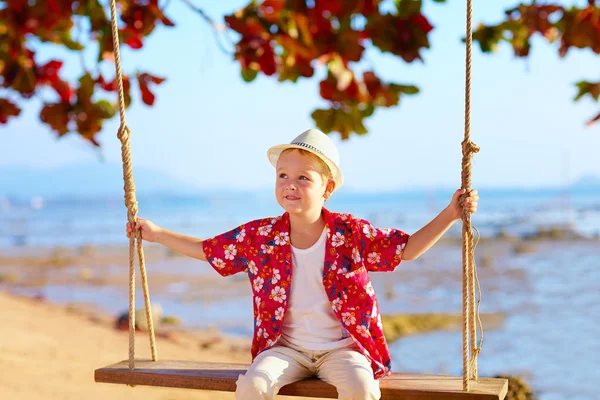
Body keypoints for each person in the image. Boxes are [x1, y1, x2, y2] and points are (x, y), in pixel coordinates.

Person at [126, 128, 479, 400]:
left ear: (327, 189)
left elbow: (408, 248)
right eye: (282, 175)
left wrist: (451, 213)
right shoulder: (261, 236)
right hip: (286, 349)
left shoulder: (349, 233)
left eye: (303, 178)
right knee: (253, 384)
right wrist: (156, 234)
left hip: (342, 349)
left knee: (362, 388)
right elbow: (209, 250)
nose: (289, 185)